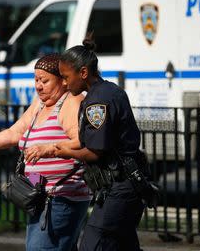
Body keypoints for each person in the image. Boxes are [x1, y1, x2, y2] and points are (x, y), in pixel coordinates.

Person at [0, 54, 91, 251]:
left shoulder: (70, 101)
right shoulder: (40, 104)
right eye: (36, 80)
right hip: (41, 198)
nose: (39, 86)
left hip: (61, 197)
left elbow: (81, 144)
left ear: (63, 80)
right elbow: (15, 132)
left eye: (45, 81)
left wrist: (49, 150)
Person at [57, 38, 149, 251]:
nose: (64, 83)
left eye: (65, 77)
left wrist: (65, 153)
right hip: (124, 184)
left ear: (83, 73)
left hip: (120, 186)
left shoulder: (98, 101)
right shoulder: (108, 91)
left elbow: (95, 152)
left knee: (93, 245)